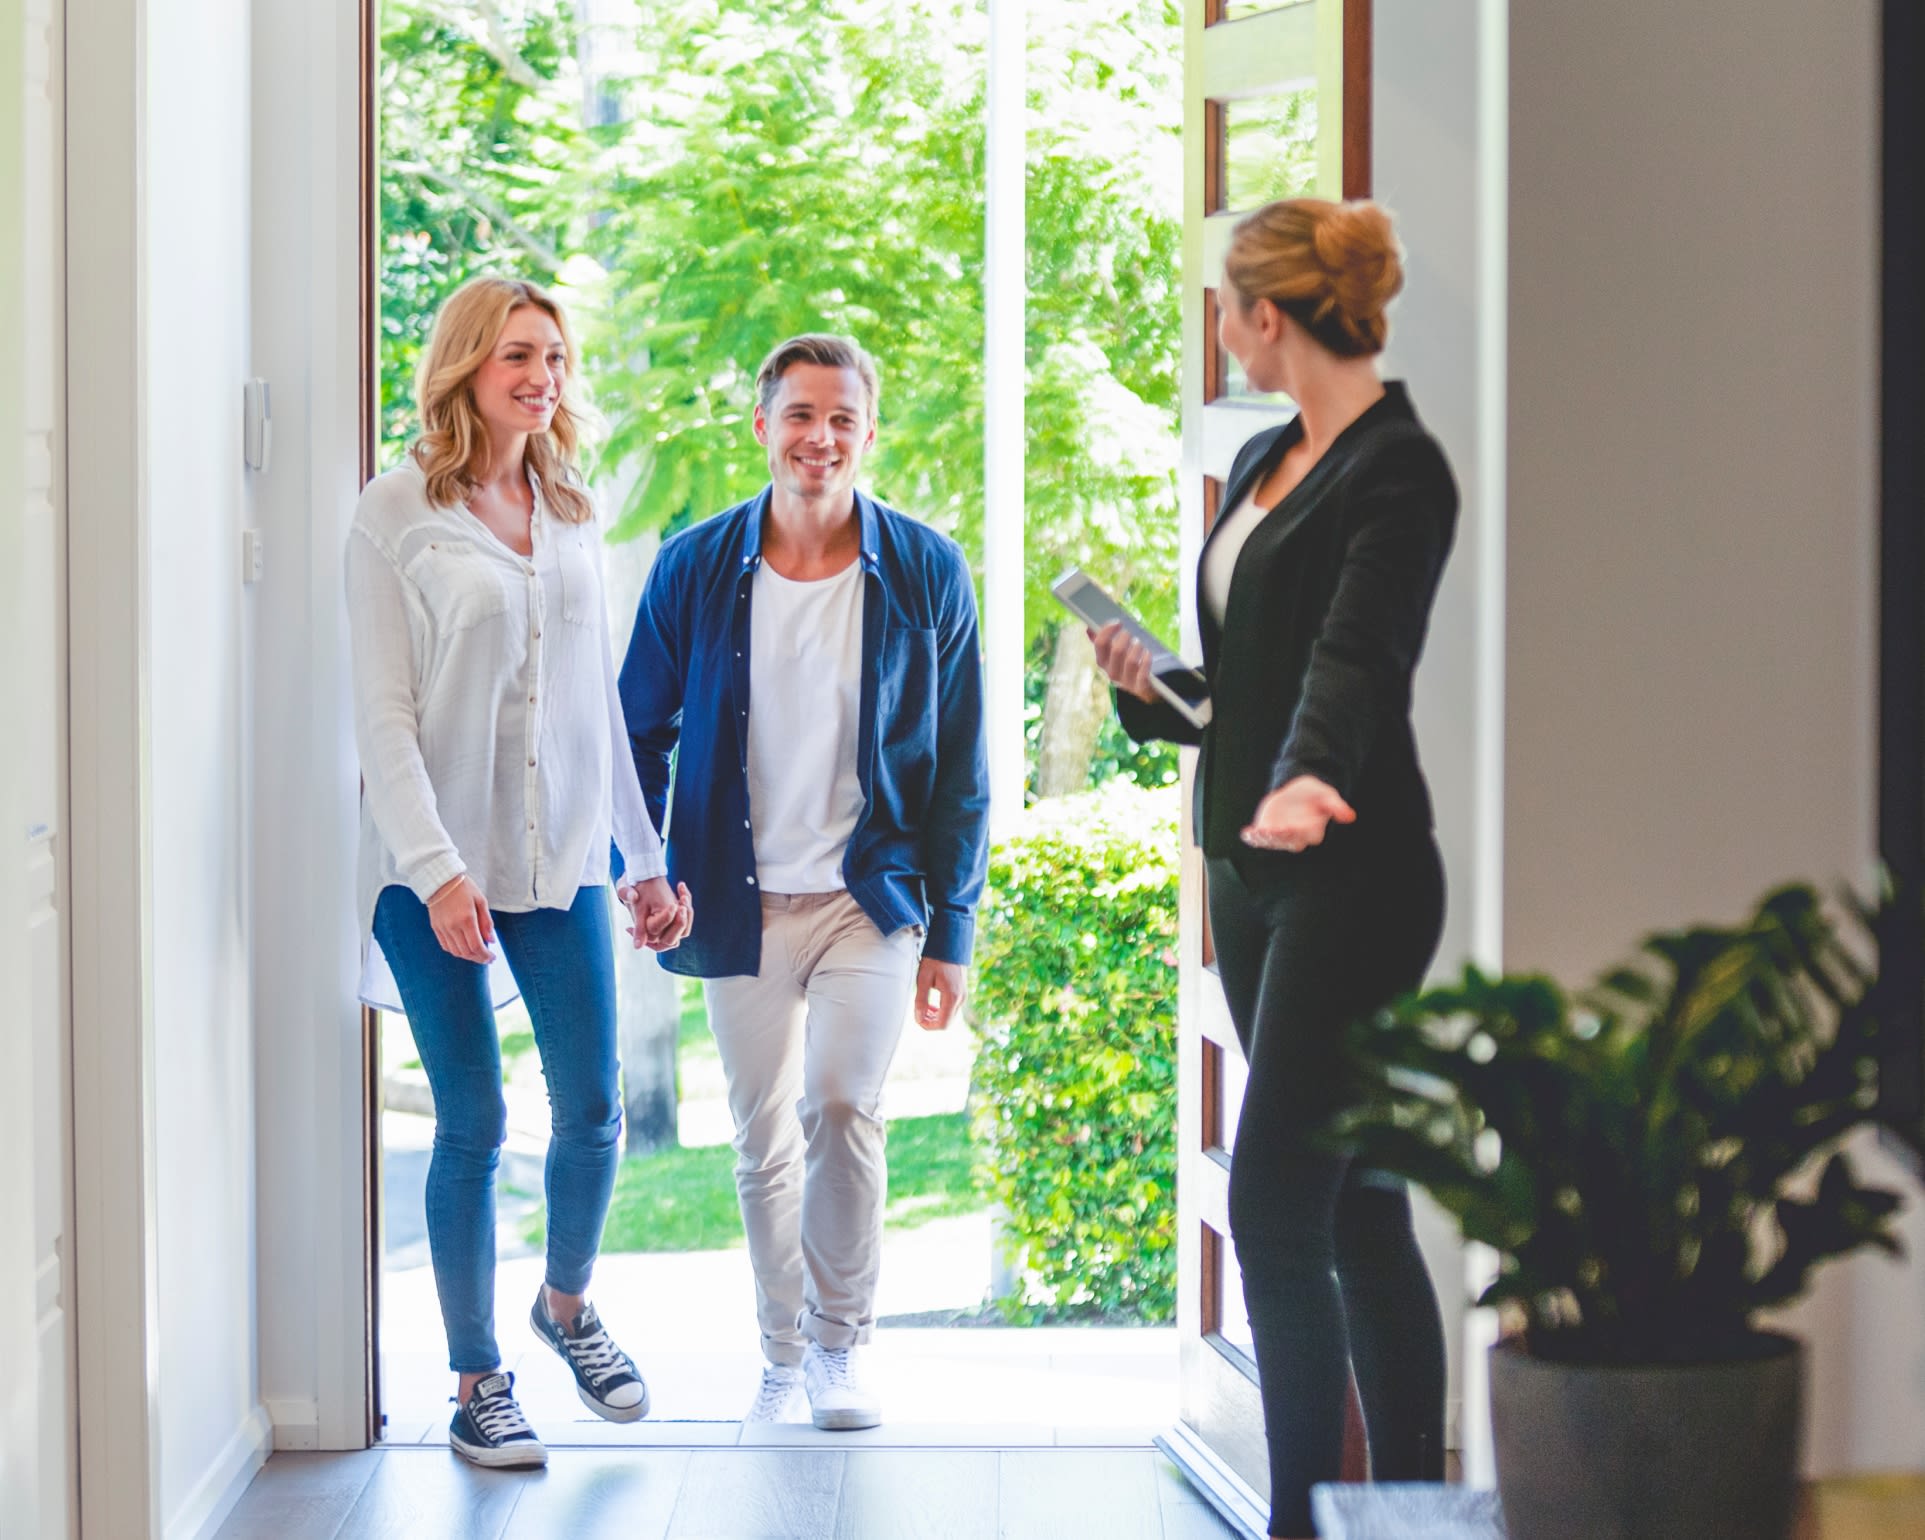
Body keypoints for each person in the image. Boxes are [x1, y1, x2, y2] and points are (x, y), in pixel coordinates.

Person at [1092, 199, 1455, 1539]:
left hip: (1351, 879)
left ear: (1270, 314)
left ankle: (1303, 1520)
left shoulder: (1396, 468)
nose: (1215, 330)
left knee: (1272, 1207)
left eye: (1221, 307)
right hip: (1243, 871)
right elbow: (1240, 680)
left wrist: (1308, 772)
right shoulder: (1262, 457)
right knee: (1356, 1199)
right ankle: (1412, 1504)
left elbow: (1360, 655)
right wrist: (1149, 686)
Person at [346, 275, 694, 1469]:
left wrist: (642, 862)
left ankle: (566, 1307)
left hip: (559, 863)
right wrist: (439, 872)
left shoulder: (570, 509)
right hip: (429, 867)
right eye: (517, 357)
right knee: (475, 1118)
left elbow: (596, 705)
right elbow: (383, 720)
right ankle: (475, 1379)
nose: (542, 377)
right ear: (464, 369)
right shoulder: (396, 514)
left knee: (592, 1110)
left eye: (554, 356)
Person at [619, 333, 990, 1431]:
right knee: (758, 1129)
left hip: (865, 896)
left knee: (841, 1103)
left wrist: (950, 933)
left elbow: (962, 765)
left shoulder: (926, 569)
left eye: (840, 418)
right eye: (798, 415)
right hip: (730, 897)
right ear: (761, 425)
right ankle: (778, 1356)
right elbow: (633, 731)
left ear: (868, 433)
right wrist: (641, 871)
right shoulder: (695, 564)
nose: (818, 438)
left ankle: (838, 1348)